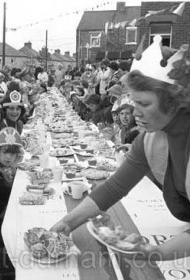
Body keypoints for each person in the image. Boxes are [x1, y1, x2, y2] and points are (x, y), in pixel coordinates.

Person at [51, 39, 190, 261]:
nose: (135, 114)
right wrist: (67, 223)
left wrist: (157, 252)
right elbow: (114, 188)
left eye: (144, 104)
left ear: (174, 102)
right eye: (134, 104)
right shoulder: (149, 139)